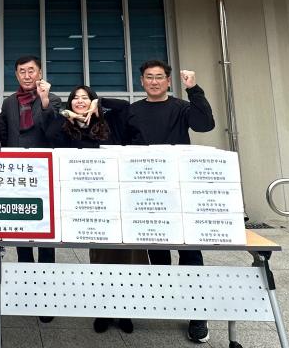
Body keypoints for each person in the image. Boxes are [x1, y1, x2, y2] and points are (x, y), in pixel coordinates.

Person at [44, 85, 148, 334]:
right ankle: (103, 310)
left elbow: (124, 106)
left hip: (118, 200)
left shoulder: (108, 123)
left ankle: (126, 311)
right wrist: (67, 116)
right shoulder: (68, 128)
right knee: (100, 257)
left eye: (85, 98)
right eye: (75, 98)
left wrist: (98, 103)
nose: (80, 101)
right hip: (92, 204)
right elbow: (49, 135)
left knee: (127, 256)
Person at [126, 59, 215, 343]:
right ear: (141, 81)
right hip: (147, 191)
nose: (154, 81)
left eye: (159, 77)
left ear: (168, 80)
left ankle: (197, 315)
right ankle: (169, 298)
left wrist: (194, 89)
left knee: (189, 251)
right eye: (149, 77)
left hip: (179, 188)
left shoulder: (181, 107)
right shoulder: (133, 111)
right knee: (157, 249)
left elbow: (205, 124)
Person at [0, 55, 61, 323]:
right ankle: (27, 287)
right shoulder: (9, 102)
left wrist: (44, 102)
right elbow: (3, 134)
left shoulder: (52, 99)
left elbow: (55, 132)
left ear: (40, 73)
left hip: (42, 175)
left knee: (45, 236)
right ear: (16, 75)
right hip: (16, 176)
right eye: (22, 71)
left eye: (31, 71)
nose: (27, 75)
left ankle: (46, 295)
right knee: (21, 232)